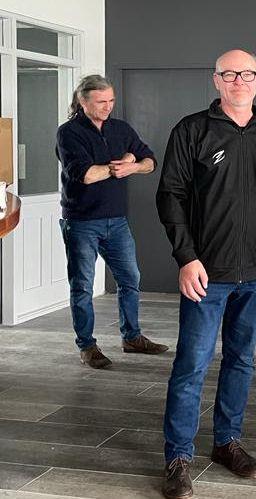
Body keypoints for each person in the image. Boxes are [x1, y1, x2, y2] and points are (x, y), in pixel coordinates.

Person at [156, 49, 256, 499]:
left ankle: (226, 442)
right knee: (192, 364)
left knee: (241, 360)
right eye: (229, 74)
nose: (239, 81)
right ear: (216, 81)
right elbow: (171, 196)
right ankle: (178, 456)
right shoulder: (191, 130)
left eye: (248, 74)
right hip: (206, 273)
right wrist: (186, 257)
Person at [56, 74, 168, 369]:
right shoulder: (69, 133)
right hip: (81, 222)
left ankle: (131, 337)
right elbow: (86, 174)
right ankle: (87, 346)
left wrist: (132, 164)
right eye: (101, 101)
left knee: (131, 280)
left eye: (111, 101)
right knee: (82, 286)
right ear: (83, 101)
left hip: (116, 221)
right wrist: (117, 167)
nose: (108, 107)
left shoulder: (121, 128)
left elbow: (150, 162)